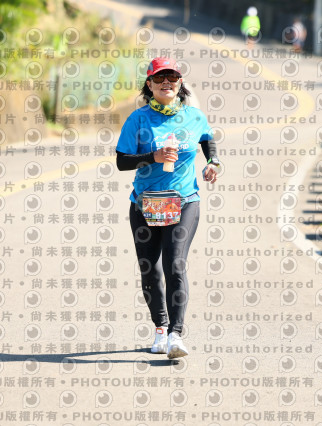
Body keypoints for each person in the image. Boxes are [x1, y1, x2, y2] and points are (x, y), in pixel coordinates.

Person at [115, 57, 221, 359]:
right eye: (160, 78)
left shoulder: (194, 116)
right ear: (149, 84)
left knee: (175, 263)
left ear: (180, 84)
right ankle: (160, 329)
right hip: (145, 204)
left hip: (184, 201)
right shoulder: (138, 119)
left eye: (172, 78)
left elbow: (207, 140)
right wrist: (154, 156)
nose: (166, 83)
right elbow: (122, 161)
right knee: (150, 270)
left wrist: (213, 162)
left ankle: (176, 334)